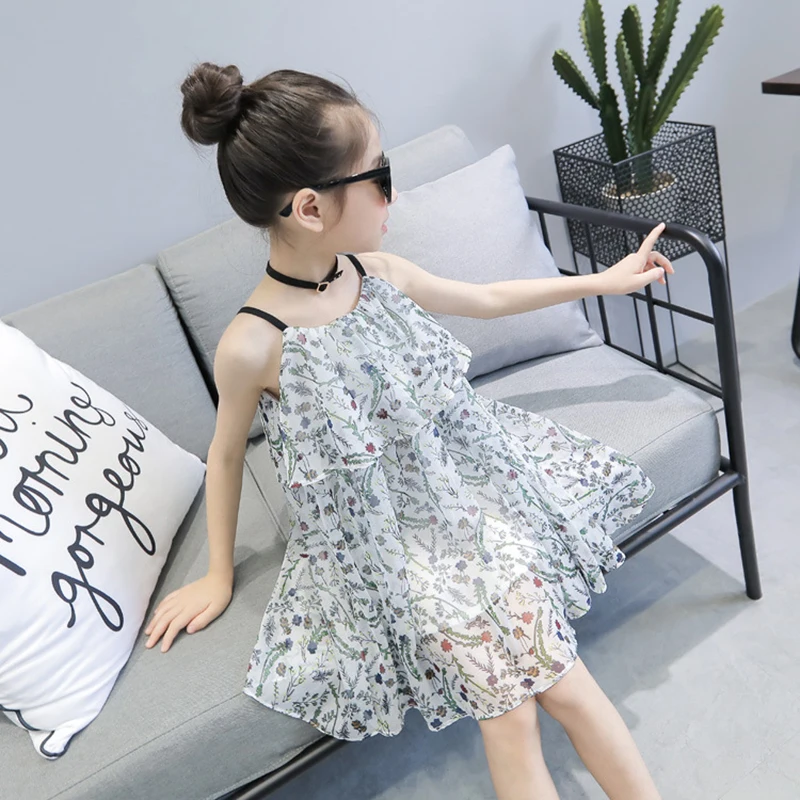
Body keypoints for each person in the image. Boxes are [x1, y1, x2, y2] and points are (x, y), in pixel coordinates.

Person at [144, 62, 672, 800]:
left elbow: (487, 297)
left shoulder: (376, 272)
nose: (394, 193)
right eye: (379, 177)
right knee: (511, 715)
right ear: (310, 208)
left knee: (567, 684)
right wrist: (219, 573)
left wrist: (603, 280)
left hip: (466, 500)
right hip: (387, 547)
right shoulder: (253, 343)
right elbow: (225, 455)